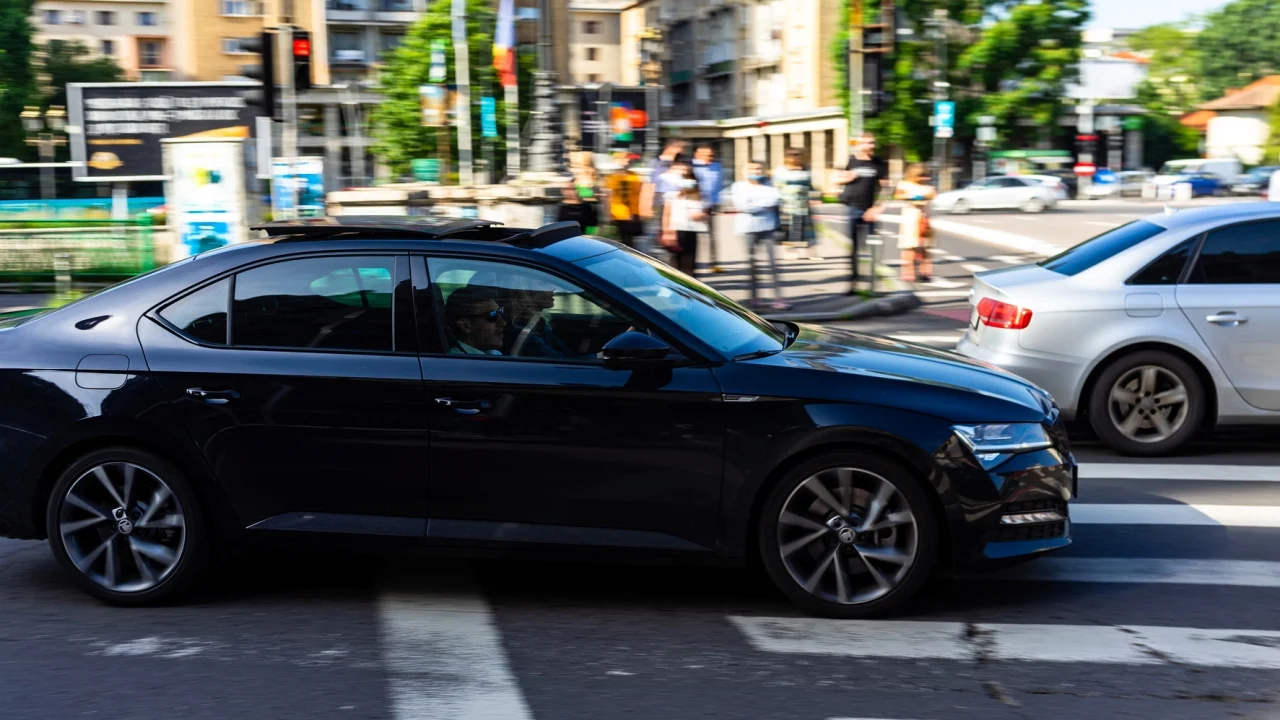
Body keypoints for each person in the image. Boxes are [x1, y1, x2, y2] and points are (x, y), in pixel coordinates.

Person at [731, 161, 790, 311]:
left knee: (772, 264)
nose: (756, 171)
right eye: (751, 168)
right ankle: (753, 298)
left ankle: (778, 298)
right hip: (747, 228)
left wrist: (754, 204)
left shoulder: (770, 186)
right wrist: (763, 205)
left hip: (768, 227)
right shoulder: (739, 186)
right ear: (744, 171)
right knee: (751, 264)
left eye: (758, 168)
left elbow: (776, 200)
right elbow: (742, 206)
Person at [835, 133, 888, 295]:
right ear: (859, 144)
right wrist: (847, 177)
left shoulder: (879, 163)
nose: (870, 146)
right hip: (853, 209)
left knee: (872, 249)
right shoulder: (851, 160)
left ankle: (873, 286)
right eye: (867, 143)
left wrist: (877, 207)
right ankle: (853, 284)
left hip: (870, 211)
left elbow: (887, 188)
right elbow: (837, 179)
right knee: (854, 249)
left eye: (872, 143)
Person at [504, 279, 575, 358]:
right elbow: (562, 360)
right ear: (527, 292)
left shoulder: (539, 324)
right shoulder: (522, 332)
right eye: (543, 283)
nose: (553, 288)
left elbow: (568, 354)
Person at [640, 139, 688, 249]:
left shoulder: (679, 162)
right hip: (658, 199)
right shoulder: (654, 163)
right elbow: (648, 183)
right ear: (670, 147)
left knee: (673, 233)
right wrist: (646, 204)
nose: (681, 151)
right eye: (680, 148)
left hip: (676, 201)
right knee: (654, 230)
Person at [661, 164, 708, 276]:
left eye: (689, 177)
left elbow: (706, 213)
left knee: (689, 262)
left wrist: (702, 215)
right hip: (676, 231)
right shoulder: (672, 195)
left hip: (691, 230)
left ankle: (689, 287)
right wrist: (667, 232)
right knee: (675, 263)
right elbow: (667, 214)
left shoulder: (699, 196)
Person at [894, 164, 938, 283]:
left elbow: (932, 195)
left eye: (925, 176)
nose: (923, 178)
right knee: (909, 247)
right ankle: (908, 273)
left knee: (925, 248)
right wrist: (912, 197)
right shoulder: (905, 184)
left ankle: (925, 272)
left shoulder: (928, 187)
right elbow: (898, 195)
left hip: (924, 220)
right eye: (920, 176)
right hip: (910, 220)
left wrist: (921, 196)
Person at [775, 148, 818, 260]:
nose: (796, 157)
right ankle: (790, 250)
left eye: (798, 155)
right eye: (793, 155)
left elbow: (810, 185)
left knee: (808, 230)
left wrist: (814, 197)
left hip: (803, 204)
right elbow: (777, 186)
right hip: (788, 204)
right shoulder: (781, 170)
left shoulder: (806, 168)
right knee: (790, 229)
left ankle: (811, 252)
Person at [692, 145, 725, 273]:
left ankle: (714, 262)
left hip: (709, 206)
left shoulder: (717, 167)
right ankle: (694, 262)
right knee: (692, 236)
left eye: (712, 155)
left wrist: (715, 203)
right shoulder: (691, 167)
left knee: (711, 235)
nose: (710, 158)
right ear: (697, 155)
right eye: (707, 155)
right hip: (693, 206)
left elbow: (718, 187)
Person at [444, 286, 506, 355]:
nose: (503, 323)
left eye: (500, 312)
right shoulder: (458, 362)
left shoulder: (493, 354)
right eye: (492, 315)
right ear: (465, 326)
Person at [605, 153, 644, 247]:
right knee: (623, 241)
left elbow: (639, 194)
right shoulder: (612, 177)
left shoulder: (634, 177)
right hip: (618, 213)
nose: (627, 161)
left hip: (632, 213)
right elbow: (609, 196)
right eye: (624, 159)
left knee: (631, 242)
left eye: (627, 160)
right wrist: (607, 214)